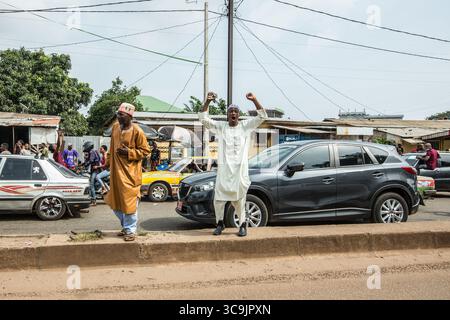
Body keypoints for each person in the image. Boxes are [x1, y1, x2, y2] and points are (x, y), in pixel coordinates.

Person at [199, 92, 268, 237]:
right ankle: (220, 224)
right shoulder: (221, 127)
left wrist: (255, 99)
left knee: (239, 200)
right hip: (224, 172)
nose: (233, 113)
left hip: (239, 172)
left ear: (239, 115)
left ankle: (242, 225)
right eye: (231, 111)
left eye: (236, 111)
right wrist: (207, 102)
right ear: (227, 115)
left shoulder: (245, 126)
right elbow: (203, 118)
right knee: (218, 200)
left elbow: (262, 116)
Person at [104, 103, 150, 242]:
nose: (118, 117)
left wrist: (128, 152)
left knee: (129, 203)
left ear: (129, 116)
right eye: (117, 114)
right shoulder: (115, 128)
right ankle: (126, 227)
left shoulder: (137, 131)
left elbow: (145, 151)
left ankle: (130, 230)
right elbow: (111, 148)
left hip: (130, 174)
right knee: (115, 202)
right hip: (116, 172)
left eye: (121, 115)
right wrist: (107, 163)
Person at [83, 141, 101, 206]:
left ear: (88, 146)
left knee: (91, 185)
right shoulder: (92, 152)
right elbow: (88, 159)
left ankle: (94, 200)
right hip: (94, 170)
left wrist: (85, 165)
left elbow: (91, 160)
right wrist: (83, 163)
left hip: (95, 171)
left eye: (85, 146)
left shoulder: (92, 152)